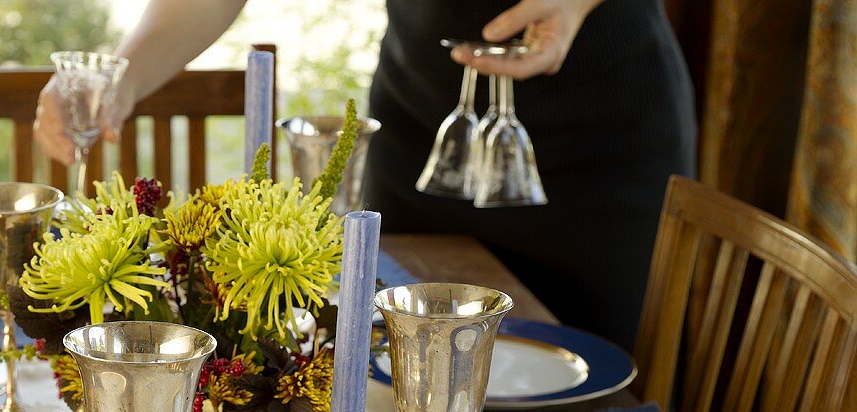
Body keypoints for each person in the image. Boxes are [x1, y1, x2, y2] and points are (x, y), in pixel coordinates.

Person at [35, 0, 695, 351]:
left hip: (600, 148)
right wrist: (116, 78)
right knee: (405, 384)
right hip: (422, 135)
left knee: (593, 399)